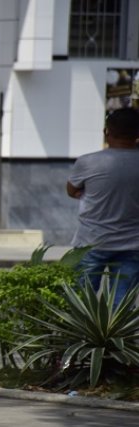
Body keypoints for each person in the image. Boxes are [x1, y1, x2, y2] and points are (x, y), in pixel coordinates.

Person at [66, 107, 139, 307]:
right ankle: (115, 338)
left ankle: (81, 338)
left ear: (106, 132)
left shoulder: (88, 162)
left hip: (91, 242)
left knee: (80, 303)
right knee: (120, 307)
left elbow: (72, 190)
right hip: (133, 245)